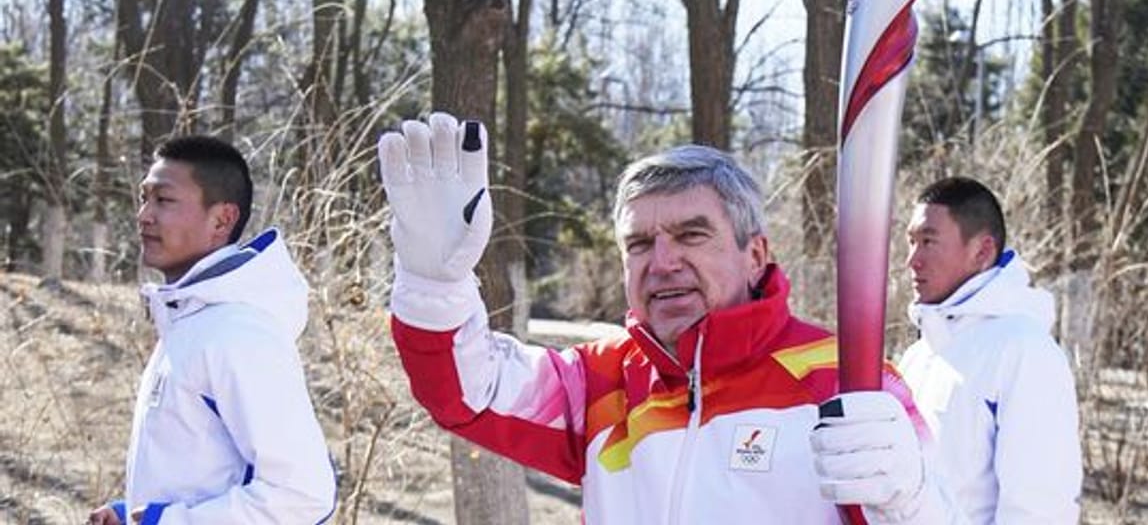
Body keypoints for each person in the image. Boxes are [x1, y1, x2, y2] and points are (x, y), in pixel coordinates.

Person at [379, 112, 960, 524]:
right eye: (638, 244)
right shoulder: (599, 385)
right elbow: (469, 391)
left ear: (754, 253)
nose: (661, 263)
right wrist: (435, 283)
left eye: (691, 235)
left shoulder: (848, 381)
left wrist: (908, 500)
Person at [88, 135, 336, 525]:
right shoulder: (191, 322)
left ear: (222, 219)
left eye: (164, 200)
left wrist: (165, 522)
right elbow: (206, 473)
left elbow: (302, 496)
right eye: (143, 198)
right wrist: (133, 515)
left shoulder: (239, 334)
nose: (144, 216)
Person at [897, 176, 1082, 523]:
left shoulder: (1024, 351)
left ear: (982, 251)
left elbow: (1039, 508)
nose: (912, 260)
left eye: (928, 242)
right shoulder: (919, 356)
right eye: (910, 242)